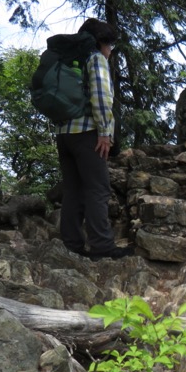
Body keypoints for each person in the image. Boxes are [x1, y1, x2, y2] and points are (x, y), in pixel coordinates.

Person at [55, 18, 133, 260]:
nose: (110, 51)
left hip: (64, 133)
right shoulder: (95, 58)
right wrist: (105, 133)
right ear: (100, 43)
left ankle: (71, 245)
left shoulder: (68, 59)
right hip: (88, 133)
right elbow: (101, 99)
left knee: (73, 190)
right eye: (109, 45)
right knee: (98, 189)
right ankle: (102, 247)